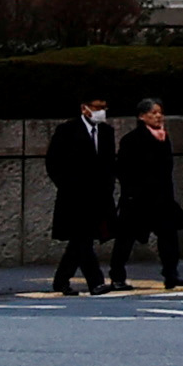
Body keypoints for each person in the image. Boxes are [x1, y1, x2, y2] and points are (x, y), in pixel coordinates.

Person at [42, 91, 122, 295]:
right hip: (74, 196)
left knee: (80, 240)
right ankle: (95, 282)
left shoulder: (106, 132)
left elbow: (109, 164)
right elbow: (53, 161)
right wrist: (66, 185)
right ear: (84, 108)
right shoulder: (67, 130)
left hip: (98, 197)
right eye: (96, 107)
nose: (100, 112)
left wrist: (109, 187)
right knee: (82, 238)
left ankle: (61, 280)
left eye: (103, 107)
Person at [115, 96, 183, 289]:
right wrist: (131, 192)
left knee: (169, 237)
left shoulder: (164, 138)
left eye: (160, 112)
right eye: (153, 113)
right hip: (138, 199)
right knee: (126, 239)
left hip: (162, 198)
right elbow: (123, 169)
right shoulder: (132, 139)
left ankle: (171, 274)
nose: (158, 116)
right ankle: (117, 276)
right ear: (142, 116)